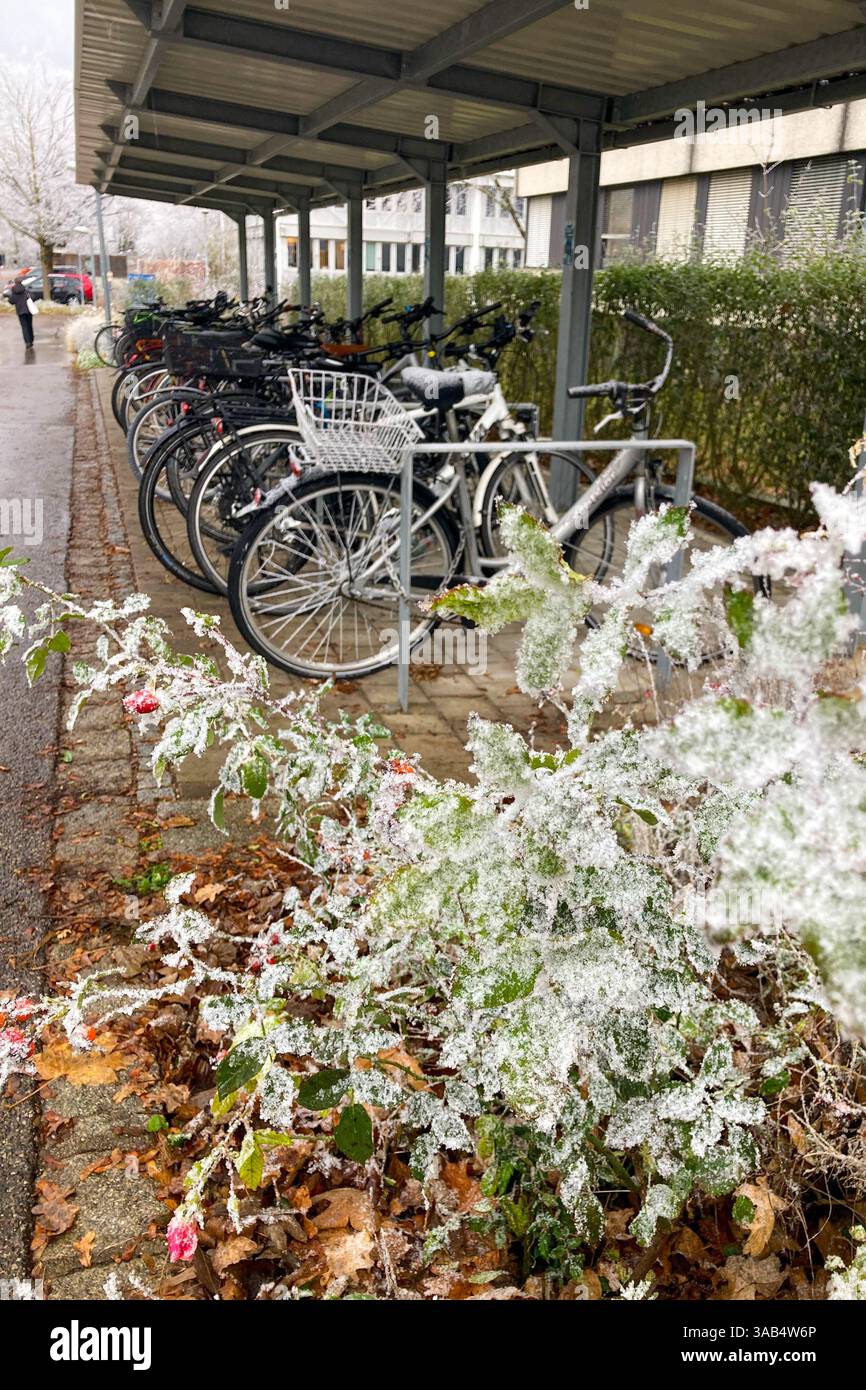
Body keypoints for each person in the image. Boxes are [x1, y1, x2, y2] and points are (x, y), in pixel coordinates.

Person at [8, 278, 35, 347]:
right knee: (29, 325)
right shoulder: (25, 289)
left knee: (24, 327)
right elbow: (33, 297)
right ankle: (31, 340)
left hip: (20, 311)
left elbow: (11, 301)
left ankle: (27, 342)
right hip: (29, 310)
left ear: (15, 282)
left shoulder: (14, 291)